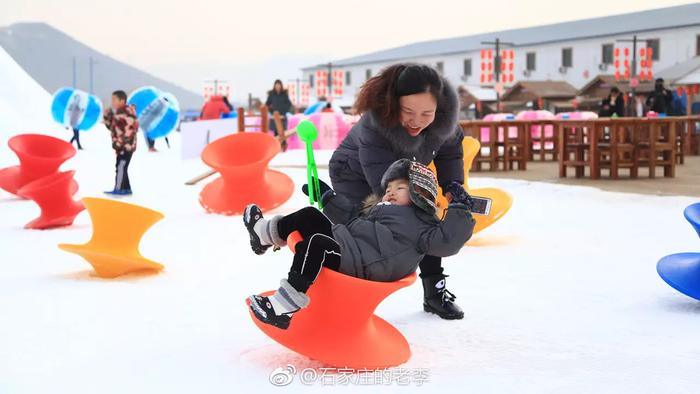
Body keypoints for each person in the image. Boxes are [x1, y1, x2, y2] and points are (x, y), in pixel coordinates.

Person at [244, 159, 475, 329]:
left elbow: (448, 241)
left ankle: (283, 307)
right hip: (348, 246)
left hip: (365, 266)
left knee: (317, 244)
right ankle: (263, 235)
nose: (390, 193)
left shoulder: (423, 227)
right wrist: (327, 197)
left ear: (419, 194)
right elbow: (350, 217)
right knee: (309, 215)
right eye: (388, 189)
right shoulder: (380, 210)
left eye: (400, 188)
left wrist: (460, 209)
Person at [327, 63, 468, 319]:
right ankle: (340, 302)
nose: (417, 121)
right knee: (364, 236)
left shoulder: (444, 122)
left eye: (427, 113)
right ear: (393, 105)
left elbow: (450, 154)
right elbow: (384, 183)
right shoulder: (375, 126)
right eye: (408, 111)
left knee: (425, 222)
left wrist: (452, 187)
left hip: (406, 170)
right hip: (354, 174)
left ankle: (435, 294)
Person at [103, 90, 138, 195]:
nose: (112, 102)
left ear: (122, 100)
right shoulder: (118, 113)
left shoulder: (127, 113)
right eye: (112, 99)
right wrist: (106, 117)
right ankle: (127, 188)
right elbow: (113, 128)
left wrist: (121, 143)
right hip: (121, 146)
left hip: (126, 146)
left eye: (114, 100)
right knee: (123, 166)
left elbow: (130, 130)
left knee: (120, 166)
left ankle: (118, 188)